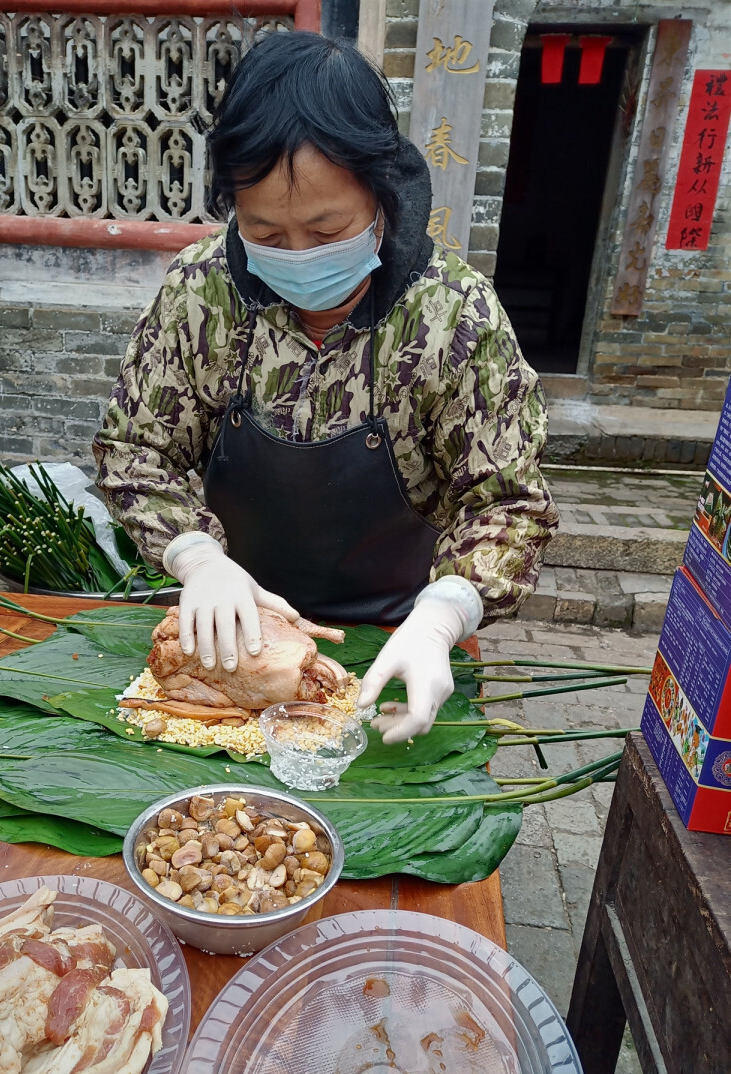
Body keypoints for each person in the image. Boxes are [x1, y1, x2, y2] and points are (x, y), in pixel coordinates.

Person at [93, 30, 558, 745]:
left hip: (395, 635)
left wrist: (444, 616)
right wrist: (196, 558)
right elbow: (135, 449)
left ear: (381, 193)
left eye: (325, 229)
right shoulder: (201, 292)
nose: (298, 257)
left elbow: (508, 503)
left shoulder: (453, 316)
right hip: (231, 634)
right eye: (267, 234)